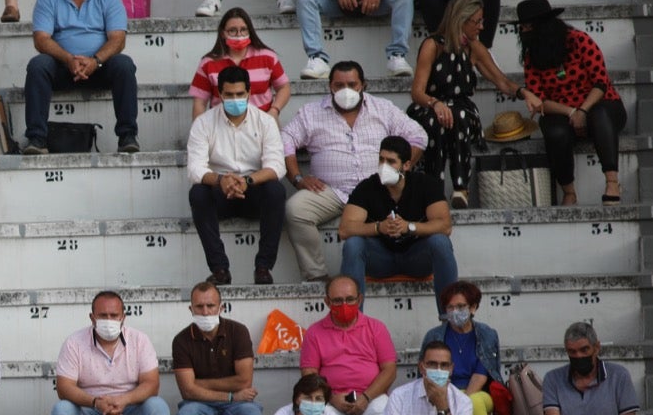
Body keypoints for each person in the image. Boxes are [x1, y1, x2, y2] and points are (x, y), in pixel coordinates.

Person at [281, 63, 427, 282]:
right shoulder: (310, 113)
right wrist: (298, 178)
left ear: (363, 85)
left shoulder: (383, 109)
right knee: (295, 209)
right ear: (330, 86)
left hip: (378, 188)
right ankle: (316, 275)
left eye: (352, 84)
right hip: (331, 191)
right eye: (339, 85)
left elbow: (418, 137)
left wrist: (399, 173)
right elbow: (285, 141)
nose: (345, 90)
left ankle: (394, 269)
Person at [407, 0, 525, 209]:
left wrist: (524, 94)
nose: (481, 27)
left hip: (461, 109)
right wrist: (435, 103)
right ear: (462, 19)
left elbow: (502, 82)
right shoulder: (433, 45)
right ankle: (435, 189)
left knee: (458, 115)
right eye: (477, 21)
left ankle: (461, 188)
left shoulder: (474, 48)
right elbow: (417, 92)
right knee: (437, 120)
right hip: (430, 106)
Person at [20, 0, 139, 156]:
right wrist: (68, 59)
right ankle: (36, 138)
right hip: (63, 66)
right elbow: (41, 39)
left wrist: (95, 60)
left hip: (100, 66)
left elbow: (118, 39)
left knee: (124, 64)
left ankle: (127, 135)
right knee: (38, 65)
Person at [516, 0, 625, 205]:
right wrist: (571, 112)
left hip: (600, 104)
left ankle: (612, 182)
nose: (524, 32)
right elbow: (538, 101)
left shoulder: (579, 40)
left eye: (529, 27)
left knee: (599, 114)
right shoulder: (531, 58)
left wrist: (583, 111)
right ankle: (569, 192)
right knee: (554, 131)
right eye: (522, 28)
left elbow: (600, 84)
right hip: (561, 111)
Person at [187, 65, 289, 287]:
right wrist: (221, 181)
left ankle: (263, 268)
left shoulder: (266, 122)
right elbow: (195, 168)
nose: (235, 99)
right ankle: (219, 269)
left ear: (249, 92)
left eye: (240, 94)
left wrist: (248, 181)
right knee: (198, 193)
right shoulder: (203, 123)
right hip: (220, 191)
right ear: (220, 94)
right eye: (229, 94)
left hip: (253, 190)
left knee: (276, 190)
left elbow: (276, 167)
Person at [51, 289, 173, 415]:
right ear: (92, 318)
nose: (109, 320)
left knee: (158, 406)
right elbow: (64, 387)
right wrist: (95, 402)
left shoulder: (140, 340)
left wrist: (124, 400)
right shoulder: (74, 343)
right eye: (103, 315)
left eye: (114, 315)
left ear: (123, 316)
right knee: (61, 410)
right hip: (90, 410)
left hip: (128, 410)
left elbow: (152, 384)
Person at [338, 136, 458, 311]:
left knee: (440, 242)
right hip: (380, 259)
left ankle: (449, 317)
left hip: (416, 257)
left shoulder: (425, 184)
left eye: (391, 161)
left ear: (407, 165)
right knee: (353, 244)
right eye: (381, 159)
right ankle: (354, 320)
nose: (383, 166)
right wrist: (379, 228)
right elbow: (345, 229)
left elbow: (444, 225)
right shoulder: (367, 186)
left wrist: (409, 227)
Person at [173, 280, 264, 415]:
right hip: (207, 403)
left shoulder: (238, 331)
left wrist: (199, 383)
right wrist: (231, 396)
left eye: (210, 305)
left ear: (221, 307)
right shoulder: (181, 340)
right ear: (191, 309)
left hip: (230, 403)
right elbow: (187, 390)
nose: (205, 312)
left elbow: (244, 381)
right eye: (199, 306)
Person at [299, 275, 398, 415]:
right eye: (337, 301)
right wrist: (330, 397)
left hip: (372, 398)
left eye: (350, 299)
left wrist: (366, 398)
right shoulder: (314, 332)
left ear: (359, 300)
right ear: (327, 302)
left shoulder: (376, 328)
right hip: (331, 400)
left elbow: (389, 370)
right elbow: (309, 373)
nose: (344, 305)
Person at [422, 282, 505, 415]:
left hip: (478, 391)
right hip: (444, 388)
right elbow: (426, 371)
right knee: (447, 401)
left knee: (474, 403)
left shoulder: (486, 334)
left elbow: (482, 373)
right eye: (450, 307)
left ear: (473, 307)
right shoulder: (434, 335)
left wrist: (461, 401)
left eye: (460, 307)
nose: (454, 312)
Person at [190, 9, 290, 121]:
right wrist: (200, 131)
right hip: (221, 128)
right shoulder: (208, 63)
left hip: (262, 125)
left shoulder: (268, 57)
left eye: (243, 30)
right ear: (223, 33)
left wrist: (274, 111)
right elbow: (200, 103)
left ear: (250, 31)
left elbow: (284, 87)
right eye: (232, 30)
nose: (239, 35)